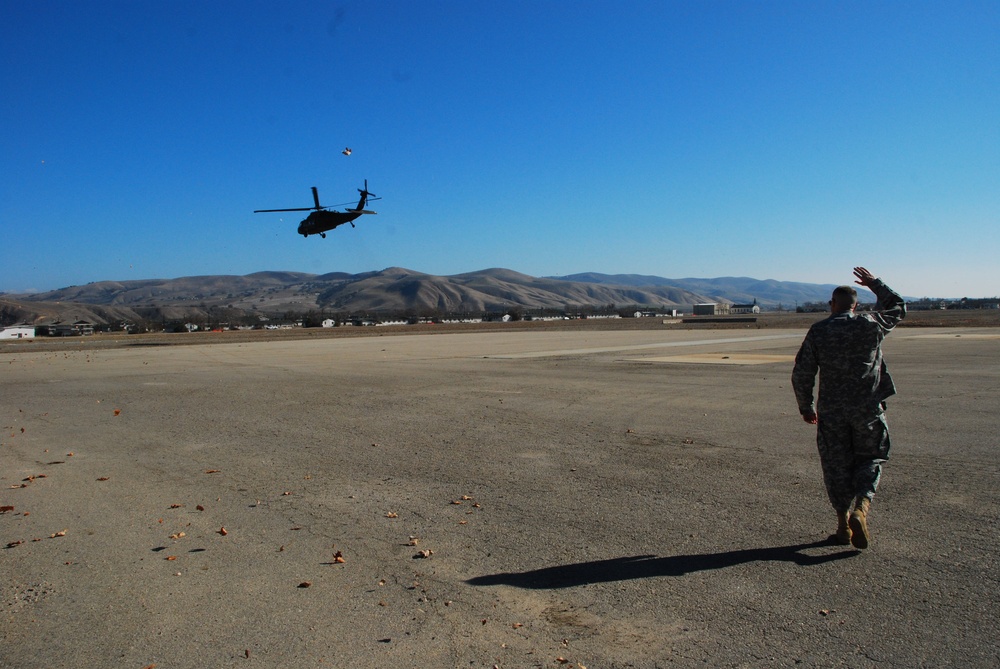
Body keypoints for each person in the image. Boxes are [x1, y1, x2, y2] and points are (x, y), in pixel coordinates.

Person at [792, 267, 906, 549]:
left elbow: (802, 372)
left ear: (832, 305)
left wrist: (806, 407)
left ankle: (843, 526)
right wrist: (874, 284)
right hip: (867, 408)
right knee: (871, 456)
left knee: (836, 465)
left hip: (832, 412)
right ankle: (862, 508)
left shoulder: (819, 331)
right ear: (856, 306)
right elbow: (899, 307)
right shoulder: (871, 323)